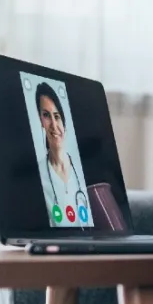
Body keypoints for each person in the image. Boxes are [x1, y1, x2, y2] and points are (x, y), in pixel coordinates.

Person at [34, 82, 88, 225]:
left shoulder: (82, 170)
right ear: (40, 120)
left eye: (56, 116)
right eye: (46, 115)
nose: (53, 124)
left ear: (63, 120)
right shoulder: (36, 175)